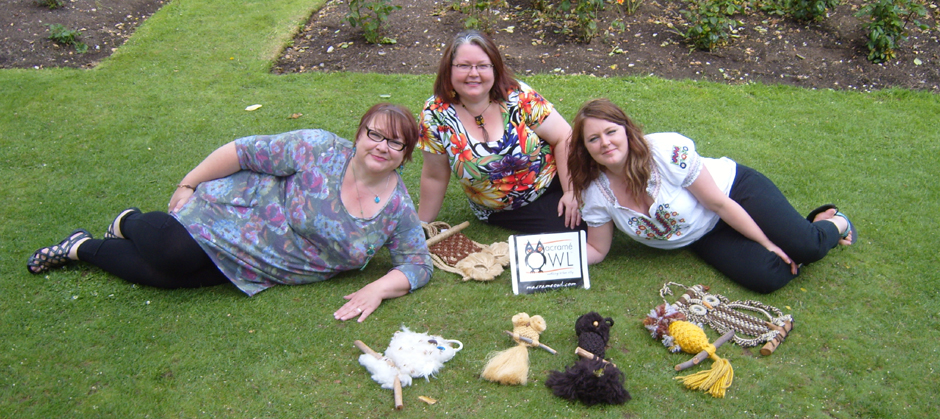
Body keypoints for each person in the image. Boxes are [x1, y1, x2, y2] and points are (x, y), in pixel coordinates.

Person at [26, 103, 432, 322]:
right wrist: (187, 183)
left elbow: (416, 263)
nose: (381, 146)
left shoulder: (396, 209)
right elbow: (242, 151)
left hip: (266, 269)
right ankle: (129, 221)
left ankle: (79, 247)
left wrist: (377, 288)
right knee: (174, 254)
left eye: (395, 143)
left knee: (165, 278)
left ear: (406, 155)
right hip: (238, 219)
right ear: (359, 134)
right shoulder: (319, 148)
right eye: (374, 134)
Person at [568, 98, 857, 293]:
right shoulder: (595, 193)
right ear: (585, 147)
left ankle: (835, 222)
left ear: (627, 131)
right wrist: (544, 265)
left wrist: (767, 243)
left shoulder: (666, 152)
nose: (605, 143)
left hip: (733, 193)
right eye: (594, 138)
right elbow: (598, 250)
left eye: (611, 131)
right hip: (702, 234)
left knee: (808, 246)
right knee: (769, 277)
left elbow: (717, 202)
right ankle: (799, 235)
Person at [417, 30, 581, 234]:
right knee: (582, 224)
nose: (473, 73)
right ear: (448, 70)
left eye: (482, 66)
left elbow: (564, 135)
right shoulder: (435, 115)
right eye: (464, 66)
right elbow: (435, 176)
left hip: (557, 175)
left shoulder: (516, 95)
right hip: (511, 207)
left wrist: (571, 191)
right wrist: (420, 226)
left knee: (604, 184)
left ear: (495, 69)